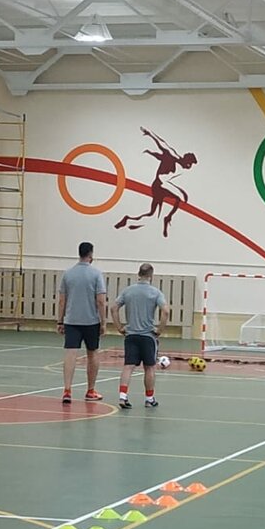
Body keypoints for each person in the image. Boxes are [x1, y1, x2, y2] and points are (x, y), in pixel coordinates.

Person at [114, 127, 197, 238]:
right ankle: (165, 218)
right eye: (189, 164)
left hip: (162, 187)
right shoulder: (173, 156)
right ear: (186, 160)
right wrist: (150, 134)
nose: (189, 167)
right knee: (171, 203)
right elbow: (163, 145)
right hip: (159, 186)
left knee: (153, 214)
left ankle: (129, 219)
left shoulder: (179, 168)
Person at [111, 263, 169, 410]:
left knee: (128, 366)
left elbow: (114, 308)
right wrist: (160, 329)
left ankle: (123, 396)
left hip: (131, 335)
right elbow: (165, 311)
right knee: (149, 368)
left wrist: (119, 327)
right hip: (148, 336)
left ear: (139, 274)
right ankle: (149, 399)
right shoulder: (155, 292)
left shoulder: (128, 291)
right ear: (151, 276)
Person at [57, 241, 107, 405]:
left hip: (72, 320)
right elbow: (100, 300)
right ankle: (90, 390)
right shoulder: (96, 274)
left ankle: (67, 390)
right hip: (91, 321)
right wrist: (103, 322)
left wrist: (60, 320)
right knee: (92, 353)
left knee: (70, 353)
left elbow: (62, 300)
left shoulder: (68, 274)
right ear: (91, 254)